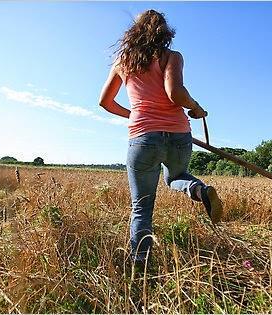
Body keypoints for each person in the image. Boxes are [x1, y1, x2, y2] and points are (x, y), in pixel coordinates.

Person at [99, 10, 223, 263]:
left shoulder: (123, 61)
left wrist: (136, 114)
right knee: (176, 177)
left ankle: (140, 263)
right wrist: (196, 106)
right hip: (179, 134)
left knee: (142, 206)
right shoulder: (172, 56)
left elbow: (105, 102)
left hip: (143, 136)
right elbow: (175, 93)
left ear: (134, 32)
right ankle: (198, 190)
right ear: (165, 32)